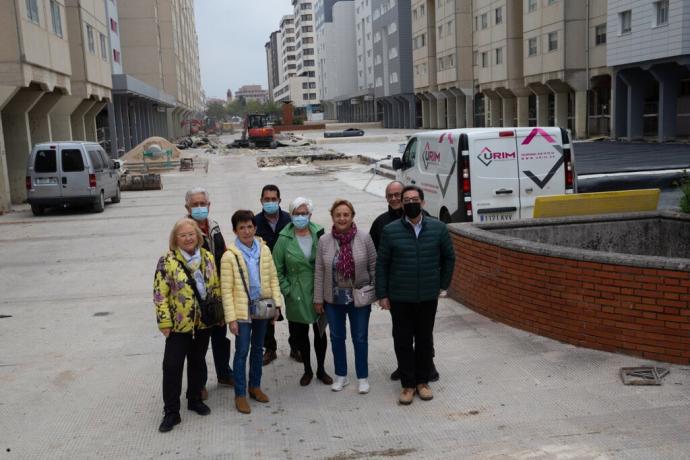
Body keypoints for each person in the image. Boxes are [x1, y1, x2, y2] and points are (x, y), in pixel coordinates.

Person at [375, 185, 455, 405]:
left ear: (423, 202)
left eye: (414, 199)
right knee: (402, 340)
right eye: (406, 199)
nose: (411, 203)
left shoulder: (438, 228)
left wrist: (442, 284)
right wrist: (382, 294)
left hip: (427, 296)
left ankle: (422, 382)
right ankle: (408, 385)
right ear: (401, 203)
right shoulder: (390, 231)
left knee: (424, 340)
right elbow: (382, 265)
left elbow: (449, 258)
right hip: (400, 297)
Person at [153, 218, 220, 432]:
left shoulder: (208, 258)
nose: (188, 238)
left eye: (191, 234)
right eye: (183, 235)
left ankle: (194, 399)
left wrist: (218, 315)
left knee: (198, 362)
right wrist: (164, 321)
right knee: (172, 366)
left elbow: (215, 287)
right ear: (175, 239)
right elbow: (160, 295)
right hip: (178, 325)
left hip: (202, 323)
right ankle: (171, 412)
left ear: (198, 236)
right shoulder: (167, 261)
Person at [370, 181, 440, 382]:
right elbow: (377, 261)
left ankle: (427, 366)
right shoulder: (382, 224)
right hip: (398, 291)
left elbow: (442, 256)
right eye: (390, 195)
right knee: (402, 333)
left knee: (424, 332)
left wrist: (439, 284)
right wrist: (381, 292)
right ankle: (405, 368)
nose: (394, 198)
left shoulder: (428, 222)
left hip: (423, 288)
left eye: (397, 194)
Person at [220, 210, 282, 414]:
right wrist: (232, 319)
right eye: (241, 228)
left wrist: (277, 306)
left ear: (255, 228)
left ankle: (255, 386)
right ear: (235, 230)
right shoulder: (229, 256)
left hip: (262, 308)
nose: (246, 231)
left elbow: (273, 278)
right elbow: (226, 290)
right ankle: (240, 394)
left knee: (257, 349)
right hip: (242, 312)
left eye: (249, 227)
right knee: (242, 351)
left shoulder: (264, 250)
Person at [314, 199, 377, 394]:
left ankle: (362, 377)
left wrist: (376, 293)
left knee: (360, 337)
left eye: (346, 214)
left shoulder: (364, 238)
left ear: (352, 216)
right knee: (336, 337)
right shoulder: (324, 240)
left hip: (358, 298)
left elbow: (374, 266)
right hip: (333, 299)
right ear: (332, 217)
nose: (342, 218)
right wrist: (318, 299)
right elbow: (318, 271)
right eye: (338, 215)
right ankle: (341, 375)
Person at [273, 197, 333, 387]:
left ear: (310, 214)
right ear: (290, 215)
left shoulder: (320, 233)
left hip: (318, 291)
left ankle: (321, 369)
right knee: (301, 335)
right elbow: (276, 268)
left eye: (304, 213)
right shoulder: (284, 238)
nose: (300, 217)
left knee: (320, 333)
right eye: (296, 213)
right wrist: (287, 290)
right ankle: (307, 369)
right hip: (296, 294)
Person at [185, 187, 233, 398]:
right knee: (199, 344)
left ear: (209, 205)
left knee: (220, 337)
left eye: (202, 203)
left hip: (217, 292)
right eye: (194, 204)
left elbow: (222, 256)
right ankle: (199, 383)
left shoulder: (214, 227)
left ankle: (224, 373)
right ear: (187, 207)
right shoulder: (185, 230)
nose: (199, 207)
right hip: (196, 296)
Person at [254, 184, 300, 366]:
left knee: (295, 309)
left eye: (274, 199)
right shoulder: (255, 222)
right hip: (264, 273)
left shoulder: (290, 220)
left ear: (280, 200)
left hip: (289, 271)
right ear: (261, 201)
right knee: (267, 311)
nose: (270, 202)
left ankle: (296, 346)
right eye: (267, 200)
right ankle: (270, 348)